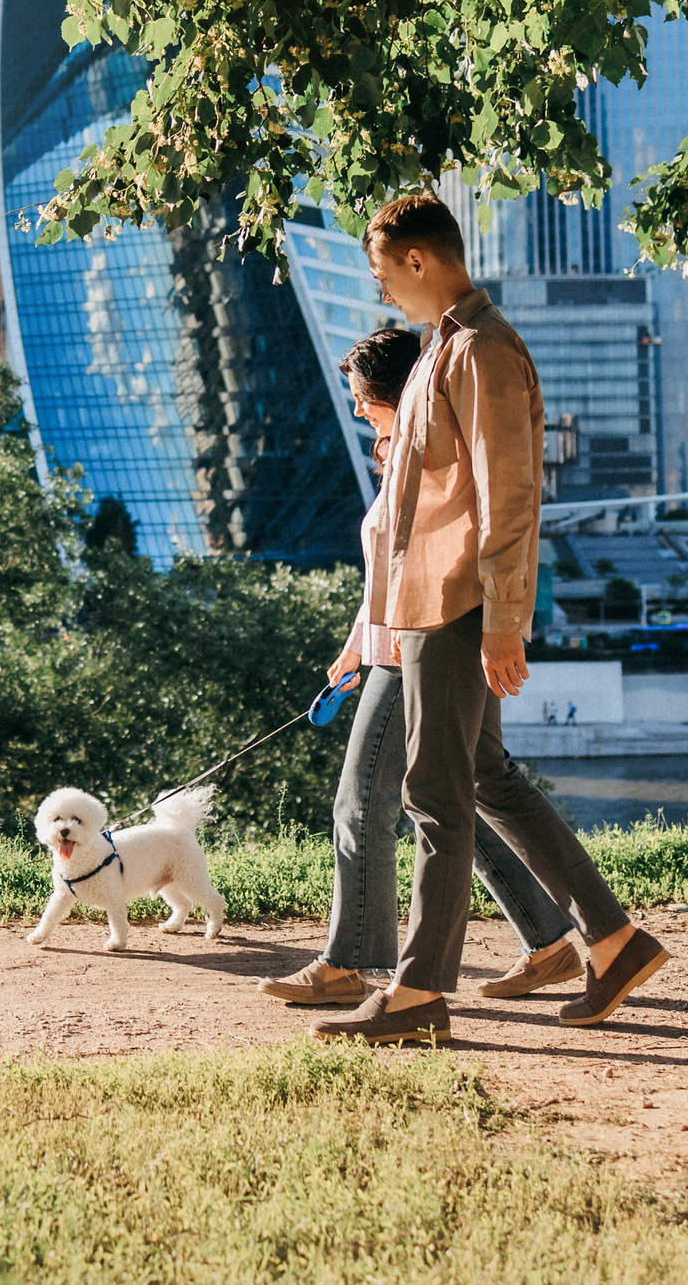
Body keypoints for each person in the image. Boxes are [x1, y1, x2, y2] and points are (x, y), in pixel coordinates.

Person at [314, 193, 669, 1045]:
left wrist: (504, 618)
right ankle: (613, 940)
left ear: (420, 262)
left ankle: (418, 992)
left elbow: (509, 493)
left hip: (458, 605)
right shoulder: (444, 349)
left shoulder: (482, 351)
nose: (382, 290)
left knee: (433, 793)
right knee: (482, 779)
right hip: (430, 604)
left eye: (382, 272)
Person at [257, 325, 583, 1010]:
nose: (354, 409)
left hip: (416, 649)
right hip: (398, 644)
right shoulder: (400, 452)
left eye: (359, 397)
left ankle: (350, 962)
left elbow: (439, 557)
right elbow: (389, 571)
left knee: (362, 804)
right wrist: (354, 645)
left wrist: (405, 640)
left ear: (388, 391)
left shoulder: (432, 454)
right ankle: (550, 940)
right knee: (456, 796)